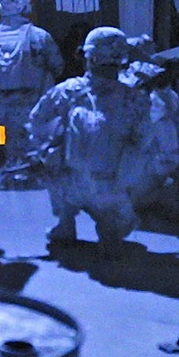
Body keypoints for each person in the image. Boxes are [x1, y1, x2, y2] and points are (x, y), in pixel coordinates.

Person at [27, 27, 154, 258]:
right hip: (104, 184)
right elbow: (144, 140)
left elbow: (37, 119)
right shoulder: (133, 98)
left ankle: (72, 224)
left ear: (89, 57)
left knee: (53, 169)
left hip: (85, 182)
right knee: (112, 226)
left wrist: (44, 151)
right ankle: (79, 226)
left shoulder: (70, 91)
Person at [0, 0, 63, 187]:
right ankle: (17, 169)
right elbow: (57, 65)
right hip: (25, 105)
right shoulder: (39, 36)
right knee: (20, 146)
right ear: (23, 6)